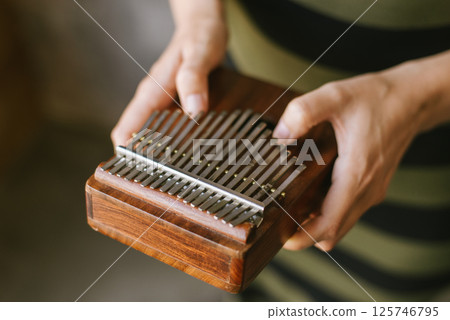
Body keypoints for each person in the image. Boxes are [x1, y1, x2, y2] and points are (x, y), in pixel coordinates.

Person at [111, 0, 450, 301]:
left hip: (412, 166)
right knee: (255, 281)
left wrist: (414, 101)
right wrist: (198, 17)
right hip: (234, 123)